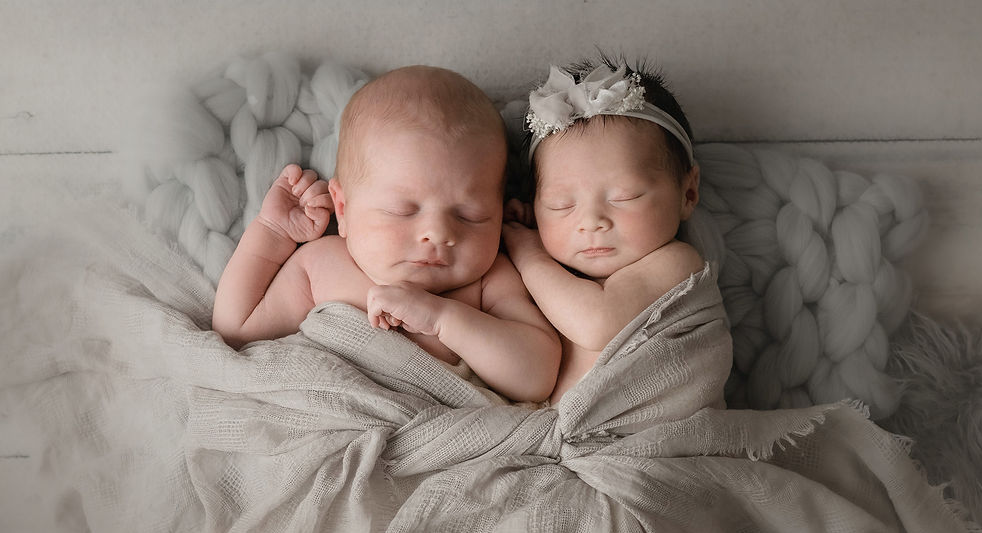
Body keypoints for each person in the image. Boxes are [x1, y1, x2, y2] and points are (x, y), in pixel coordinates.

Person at [212, 65, 560, 403]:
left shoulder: (487, 282)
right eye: (403, 211)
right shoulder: (322, 264)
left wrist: (443, 319)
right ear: (344, 210)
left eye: (469, 215)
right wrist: (272, 232)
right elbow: (236, 332)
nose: (438, 233)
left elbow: (537, 378)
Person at [503, 59, 705, 403]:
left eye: (625, 197)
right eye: (561, 205)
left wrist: (527, 251)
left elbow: (596, 322)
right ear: (533, 207)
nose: (592, 221)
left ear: (687, 193)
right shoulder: (549, 279)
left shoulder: (676, 263)